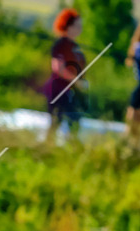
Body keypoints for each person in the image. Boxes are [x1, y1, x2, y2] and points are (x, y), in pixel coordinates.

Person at [44, 9, 87, 143]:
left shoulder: (75, 46)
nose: (80, 29)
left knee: (74, 121)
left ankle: (70, 151)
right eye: (77, 25)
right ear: (68, 26)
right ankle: (46, 150)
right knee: (57, 121)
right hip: (59, 90)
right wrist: (76, 81)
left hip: (71, 92)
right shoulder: (61, 44)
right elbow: (58, 67)